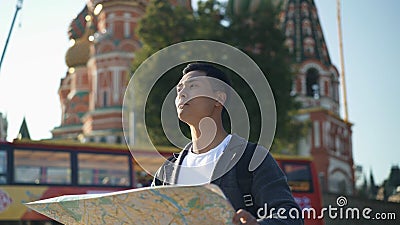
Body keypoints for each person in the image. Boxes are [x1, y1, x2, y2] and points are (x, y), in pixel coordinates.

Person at [152, 62, 303, 225]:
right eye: (179, 89)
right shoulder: (167, 172)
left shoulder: (251, 159)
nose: (181, 93)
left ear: (219, 98)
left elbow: (290, 217)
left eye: (193, 86)